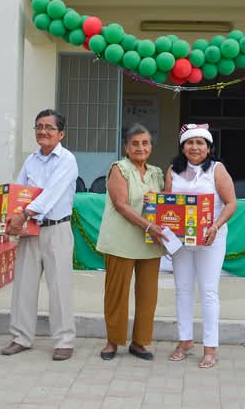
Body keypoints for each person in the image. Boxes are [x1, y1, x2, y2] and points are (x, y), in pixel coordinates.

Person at [1, 109, 78, 361]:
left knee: (60, 288)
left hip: (57, 229)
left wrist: (24, 213)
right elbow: (18, 190)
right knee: (24, 285)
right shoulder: (30, 160)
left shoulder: (67, 160)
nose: (43, 131)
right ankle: (21, 337)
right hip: (30, 230)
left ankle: (64, 341)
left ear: (61, 134)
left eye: (49, 127)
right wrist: (13, 216)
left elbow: (51, 193)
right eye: (39, 127)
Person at [165, 124, 237, 368]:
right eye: (190, 142)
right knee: (182, 289)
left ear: (208, 147)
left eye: (200, 143)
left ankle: (210, 347)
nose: (194, 147)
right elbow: (167, 201)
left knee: (208, 291)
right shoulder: (173, 169)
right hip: (181, 239)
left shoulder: (217, 169)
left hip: (209, 239)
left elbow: (231, 203)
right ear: (182, 146)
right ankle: (185, 340)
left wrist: (215, 226)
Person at [96, 123, 168, 361]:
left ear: (151, 147)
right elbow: (121, 205)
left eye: (145, 143)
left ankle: (140, 342)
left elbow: (167, 203)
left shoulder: (156, 173)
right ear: (126, 147)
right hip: (121, 241)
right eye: (134, 143)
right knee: (116, 294)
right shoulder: (119, 168)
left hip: (150, 243)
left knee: (148, 295)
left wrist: (160, 204)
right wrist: (148, 225)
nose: (140, 148)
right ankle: (113, 341)